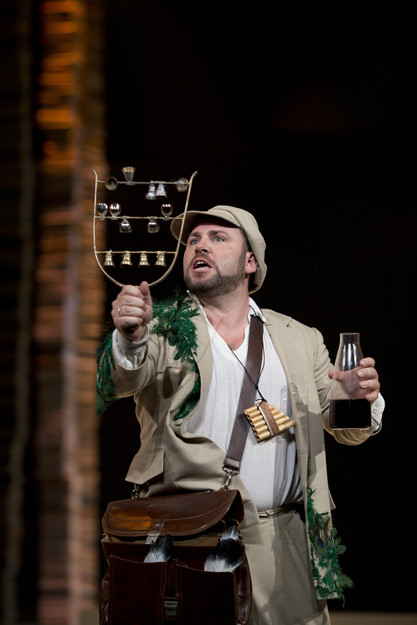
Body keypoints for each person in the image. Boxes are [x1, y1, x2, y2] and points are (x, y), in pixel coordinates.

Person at [96, 205, 384, 625]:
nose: (200, 246)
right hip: (190, 536)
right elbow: (119, 380)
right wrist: (129, 337)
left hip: (285, 536)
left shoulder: (301, 339)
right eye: (193, 241)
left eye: (218, 238)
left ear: (251, 262)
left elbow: (347, 430)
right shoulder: (160, 328)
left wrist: (360, 399)